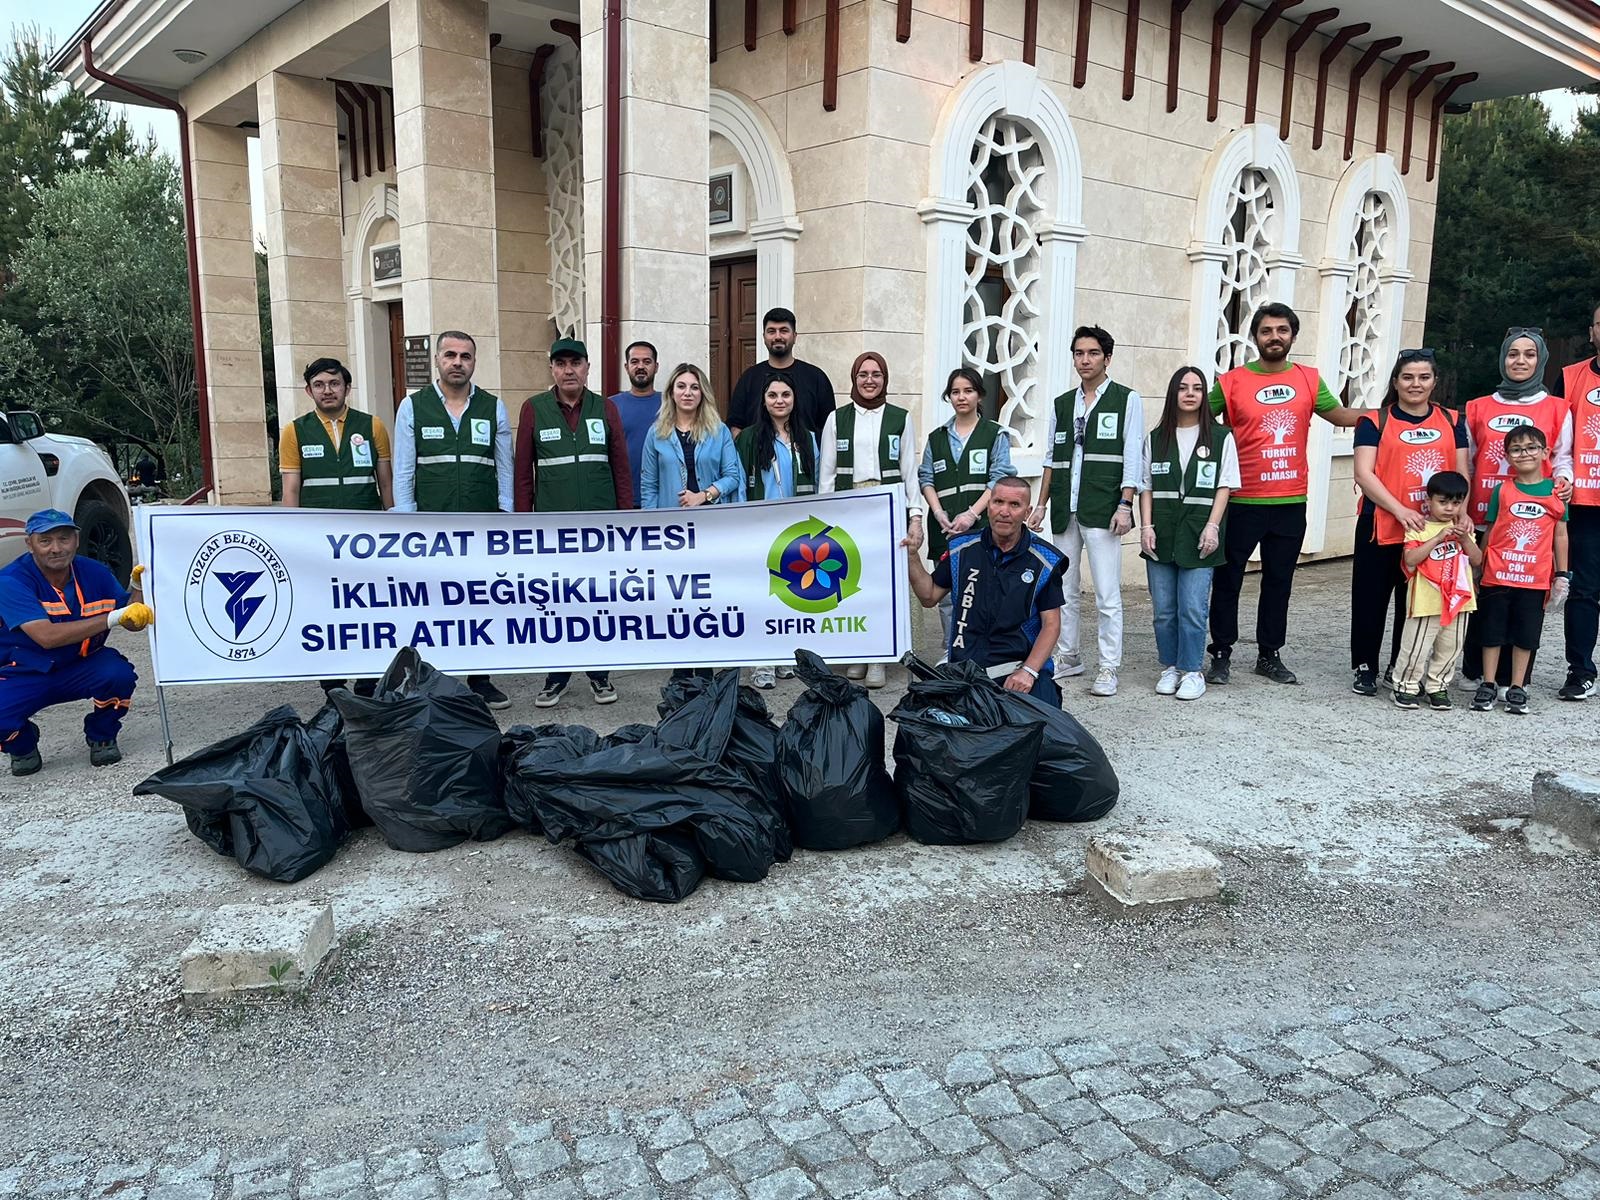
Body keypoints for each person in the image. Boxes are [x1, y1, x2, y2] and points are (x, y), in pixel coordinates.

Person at [1204, 303, 1362, 686]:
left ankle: (1268, 654)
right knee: (1228, 580)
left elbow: (1339, 415)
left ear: (1293, 335)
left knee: (1279, 582)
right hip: (1240, 500)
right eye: (1266, 330)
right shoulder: (1230, 382)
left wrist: (1393, 413)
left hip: (1291, 500)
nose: (1274, 337)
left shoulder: (1309, 379)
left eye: (1282, 330)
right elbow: (1199, 419)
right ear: (1255, 337)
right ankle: (1221, 653)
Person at [392, 330, 515, 710]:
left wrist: (506, 516)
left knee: (481, 601)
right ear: (437, 360)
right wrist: (405, 518)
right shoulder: (413, 407)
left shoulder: (493, 407)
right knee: (432, 604)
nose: (457, 362)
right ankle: (430, 680)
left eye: (465, 356)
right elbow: (404, 469)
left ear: (474, 362)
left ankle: (481, 680)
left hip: (481, 525)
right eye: (450, 355)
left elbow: (504, 467)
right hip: (431, 526)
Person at [516, 338, 635, 709]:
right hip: (553, 532)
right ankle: (557, 677)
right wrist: (523, 526)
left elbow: (620, 468)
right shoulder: (533, 409)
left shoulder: (606, 409)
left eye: (576, 363)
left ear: (587, 368)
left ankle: (599, 675)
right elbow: (523, 473)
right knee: (559, 603)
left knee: (598, 602)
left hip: (600, 529)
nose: (569, 370)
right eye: (561, 363)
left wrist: (625, 520)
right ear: (551, 369)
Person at [1029, 325, 1144, 697]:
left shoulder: (1127, 400)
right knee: (1064, 588)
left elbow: (1132, 459)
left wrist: (1125, 505)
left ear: (1107, 358)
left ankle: (1109, 666)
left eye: (1092, 353)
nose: (1085, 360)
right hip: (1066, 506)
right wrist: (1041, 504)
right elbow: (1051, 458)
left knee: (1107, 593)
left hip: (1103, 507)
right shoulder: (1064, 404)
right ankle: (1069, 655)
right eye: (1079, 353)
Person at [1458, 327, 1575, 694]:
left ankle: (1515, 678)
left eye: (1528, 354)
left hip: (1534, 522)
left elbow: (1563, 456)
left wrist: (1565, 480)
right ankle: (1476, 672)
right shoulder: (1477, 407)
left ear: (1540, 360)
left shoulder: (1558, 408)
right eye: (1512, 354)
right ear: (1503, 359)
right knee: (1483, 596)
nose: (1519, 361)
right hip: (1484, 515)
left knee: (1524, 599)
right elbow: (1469, 463)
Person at [1347, 349, 1468, 697]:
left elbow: (1461, 473)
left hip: (1431, 529)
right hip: (1381, 523)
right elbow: (1363, 473)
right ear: (1396, 382)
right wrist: (1399, 510)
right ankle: (1365, 666)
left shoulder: (1451, 420)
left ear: (1434, 382)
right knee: (1370, 599)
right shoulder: (1374, 421)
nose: (1416, 384)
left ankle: (1400, 667)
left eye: (1424, 377)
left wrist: (1461, 512)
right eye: (1408, 377)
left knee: (1415, 602)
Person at [0, 510, 151, 775]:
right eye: (45, 541)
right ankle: (23, 745)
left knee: (118, 674)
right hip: (24, 671)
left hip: (82, 664)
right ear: (30, 544)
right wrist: (113, 618)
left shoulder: (95, 572)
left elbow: (129, 617)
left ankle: (101, 734)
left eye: (64, 539)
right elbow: (46, 637)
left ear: (77, 540)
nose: (56, 548)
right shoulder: (10, 581)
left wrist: (139, 587)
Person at [280, 356, 394, 699]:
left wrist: (395, 527)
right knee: (327, 609)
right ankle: (333, 685)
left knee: (368, 608)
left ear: (346, 387)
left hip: (367, 536)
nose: (327, 391)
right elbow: (290, 489)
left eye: (334, 383)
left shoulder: (371, 425)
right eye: (319, 385)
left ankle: (368, 680)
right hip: (319, 539)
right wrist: (292, 538)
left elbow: (386, 483)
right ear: (308, 390)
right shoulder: (295, 431)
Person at [904, 476, 1067, 705]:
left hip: (1017, 669)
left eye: (1014, 505)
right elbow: (929, 596)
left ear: (1027, 511)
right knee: (920, 721)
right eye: (998, 502)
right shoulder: (962, 548)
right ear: (988, 505)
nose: (1004, 511)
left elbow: (1051, 625)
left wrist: (1029, 671)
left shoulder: (1044, 561)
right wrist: (911, 556)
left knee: (1046, 728)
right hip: (965, 670)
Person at [818, 351, 925, 687]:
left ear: (885, 379)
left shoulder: (900, 418)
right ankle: (858, 652)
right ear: (854, 377)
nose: (869, 380)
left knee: (883, 583)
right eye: (863, 373)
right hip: (850, 507)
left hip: (887, 507)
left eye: (876, 374)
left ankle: (879, 656)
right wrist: (825, 520)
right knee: (852, 580)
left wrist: (916, 516)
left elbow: (910, 472)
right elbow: (827, 472)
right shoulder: (837, 419)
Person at [1138, 366, 1237, 702]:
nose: (1190, 393)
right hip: (1162, 532)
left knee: (1192, 607)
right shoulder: (1156, 438)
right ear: (1173, 394)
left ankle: (1192, 670)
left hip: (1199, 532)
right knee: (1164, 609)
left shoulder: (1221, 438)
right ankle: (1170, 666)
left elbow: (1225, 485)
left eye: (1197, 387)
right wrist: (1146, 527)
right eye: (1183, 387)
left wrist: (1213, 526)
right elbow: (1146, 487)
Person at [1471, 424, 1570, 715]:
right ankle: (1488, 683)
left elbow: (1560, 535)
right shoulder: (1502, 490)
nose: (1524, 453)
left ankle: (1517, 686)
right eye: (1516, 449)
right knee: (1491, 631)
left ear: (1545, 453)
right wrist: (1480, 568)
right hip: (1498, 575)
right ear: (1507, 456)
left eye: (1530, 448)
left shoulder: (1557, 492)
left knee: (1526, 635)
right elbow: (1490, 531)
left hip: (1535, 579)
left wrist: (1562, 575)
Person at [918, 367, 1016, 639]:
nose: (961, 397)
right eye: (955, 392)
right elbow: (926, 478)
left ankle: (982, 652)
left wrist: (972, 515)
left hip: (983, 526)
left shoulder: (995, 434)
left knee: (983, 589)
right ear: (949, 397)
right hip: (945, 528)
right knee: (947, 594)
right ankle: (953, 652)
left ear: (980, 395)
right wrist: (938, 513)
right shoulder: (936, 438)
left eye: (968, 391)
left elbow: (999, 478)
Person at [735, 372, 818, 688]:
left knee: (789, 594)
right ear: (764, 400)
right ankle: (761, 662)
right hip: (761, 528)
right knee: (762, 596)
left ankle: (784, 656)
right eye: (773, 395)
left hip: (796, 530)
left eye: (785, 395)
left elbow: (820, 487)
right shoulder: (748, 438)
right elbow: (740, 484)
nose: (779, 401)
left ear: (794, 399)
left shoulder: (807, 439)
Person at [1392, 470, 1481, 710]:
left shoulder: (1464, 528)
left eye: (1456, 503)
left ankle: (1437, 686)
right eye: (1443, 502)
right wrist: (1439, 537)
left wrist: (1464, 540)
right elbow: (1411, 559)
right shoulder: (1418, 527)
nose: (1449, 508)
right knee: (1416, 645)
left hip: (1459, 599)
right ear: (1429, 500)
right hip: (1426, 598)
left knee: (1450, 646)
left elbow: (1477, 560)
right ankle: (1405, 686)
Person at [1552, 302, 1600, 700]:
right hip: (1585, 504)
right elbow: (1556, 440)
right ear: (1591, 331)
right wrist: (1561, 480)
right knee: (1583, 590)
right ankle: (1580, 670)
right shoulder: (1570, 378)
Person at [726, 308, 838, 438]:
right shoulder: (749, 378)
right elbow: (735, 425)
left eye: (784, 331)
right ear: (763, 337)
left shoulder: (816, 378)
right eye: (771, 331)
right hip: (757, 456)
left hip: (808, 456)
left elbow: (829, 427)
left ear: (795, 336)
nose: (777, 336)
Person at [611, 340, 661, 508]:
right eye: (634, 362)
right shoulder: (610, 406)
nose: (640, 366)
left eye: (647, 362)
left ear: (656, 366)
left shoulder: (671, 404)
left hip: (663, 500)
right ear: (626, 367)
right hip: (623, 500)